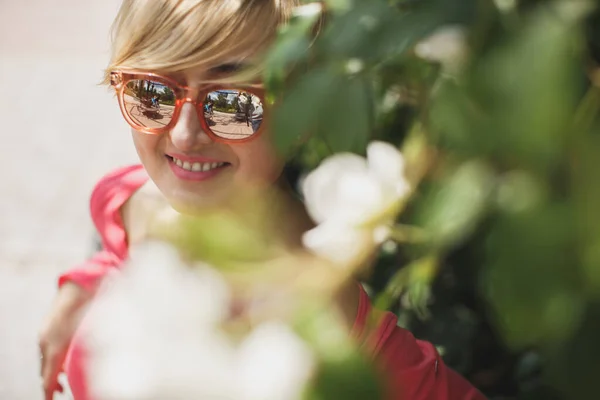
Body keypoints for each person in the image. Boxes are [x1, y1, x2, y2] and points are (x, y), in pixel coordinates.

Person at [37, 1, 487, 400]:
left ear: (300, 114)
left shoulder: (316, 305)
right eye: (151, 93)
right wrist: (84, 284)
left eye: (233, 104)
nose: (184, 135)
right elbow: (116, 199)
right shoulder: (144, 202)